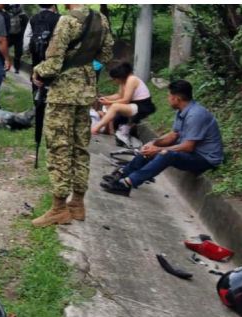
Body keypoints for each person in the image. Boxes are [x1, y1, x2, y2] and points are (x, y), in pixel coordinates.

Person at [30, 5, 113, 226]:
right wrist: (85, 67)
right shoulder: (101, 20)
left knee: (59, 147)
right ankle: (77, 204)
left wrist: (38, 72)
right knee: (80, 148)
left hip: (63, 94)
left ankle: (59, 208)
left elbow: (54, 63)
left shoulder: (66, 21)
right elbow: (105, 55)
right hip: (85, 92)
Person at [100, 80, 224, 196]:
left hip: (204, 159)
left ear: (177, 98)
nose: (167, 99)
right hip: (191, 153)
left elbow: (188, 146)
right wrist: (153, 143)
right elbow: (174, 135)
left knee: (166, 154)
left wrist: (157, 150)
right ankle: (123, 174)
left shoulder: (196, 115)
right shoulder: (182, 110)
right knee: (151, 149)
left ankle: (126, 184)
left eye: (169, 96)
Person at [90, 62, 156, 146]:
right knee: (110, 106)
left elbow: (125, 100)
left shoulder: (131, 80)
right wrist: (106, 98)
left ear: (119, 77)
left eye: (114, 79)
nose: (114, 81)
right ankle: (111, 129)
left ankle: (96, 128)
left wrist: (108, 102)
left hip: (142, 106)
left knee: (115, 106)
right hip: (133, 105)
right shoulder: (123, 81)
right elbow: (119, 95)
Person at [5, 5, 28, 73]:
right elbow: (27, 27)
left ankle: (4, 63)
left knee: (5, 48)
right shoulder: (24, 16)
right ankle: (16, 68)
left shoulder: (9, 13)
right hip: (19, 37)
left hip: (10, 36)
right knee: (18, 53)